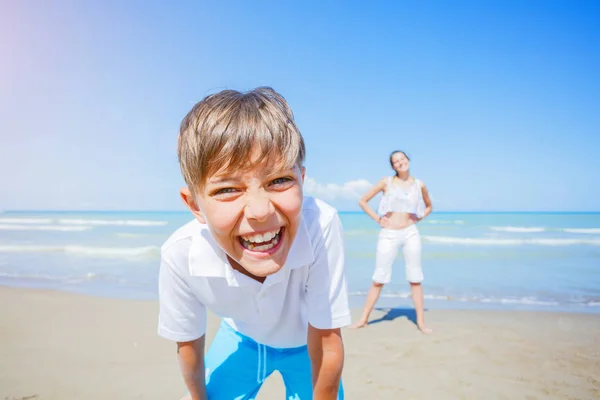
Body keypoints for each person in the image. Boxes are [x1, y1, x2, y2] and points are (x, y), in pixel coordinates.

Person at [157, 87, 351, 400]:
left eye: (279, 180)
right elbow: (188, 343)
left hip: (307, 344)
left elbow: (327, 336)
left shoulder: (320, 224)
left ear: (302, 179)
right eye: (226, 189)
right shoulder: (181, 253)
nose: (260, 212)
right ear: (194, 205)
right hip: (240, 337)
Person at [350, 150, 433, 334]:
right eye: (396, 161)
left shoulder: (419, 185)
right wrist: (378, 219)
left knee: (415, 278)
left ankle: (421, 322)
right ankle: (363, 319)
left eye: (402, 159)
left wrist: (418, 218)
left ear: (408, 160)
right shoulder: (386, 182)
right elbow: (363, 201)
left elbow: (429, 206)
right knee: (379, 279)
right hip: (389, 234)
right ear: (393, 166)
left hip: (410, 233)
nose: (400, 162)